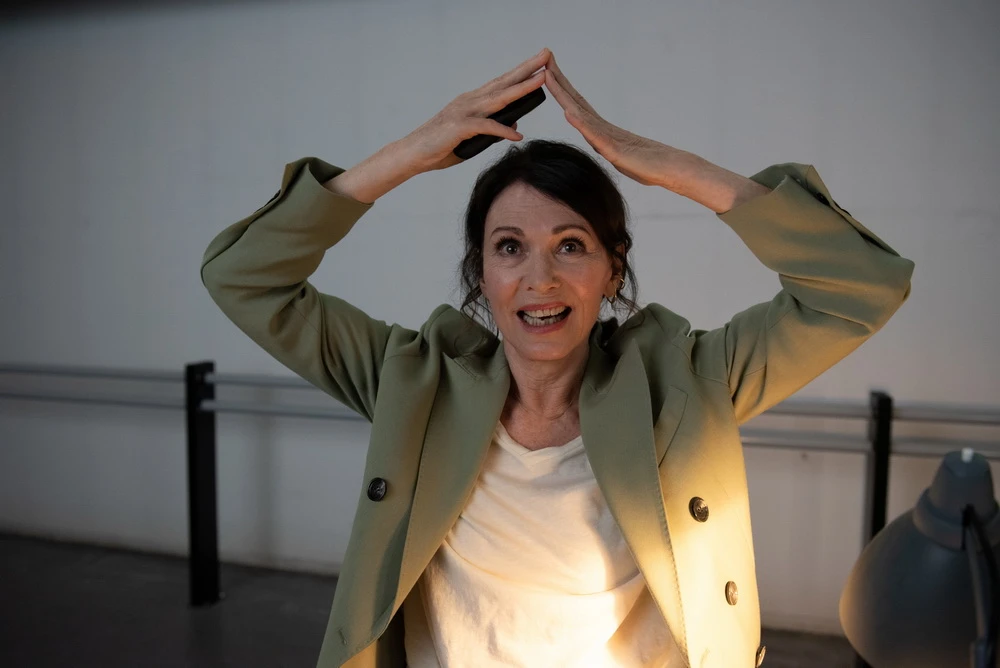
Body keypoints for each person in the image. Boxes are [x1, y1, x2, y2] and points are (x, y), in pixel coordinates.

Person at [200, 48, 914, 668]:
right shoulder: (412, 382)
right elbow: (243, 277)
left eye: (571, 245)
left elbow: (862, 286)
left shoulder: (688, 384)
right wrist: (408, 154)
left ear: (612, 269)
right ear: (481, 273)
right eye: (509, 247)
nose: (539, 279)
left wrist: (675, 169)